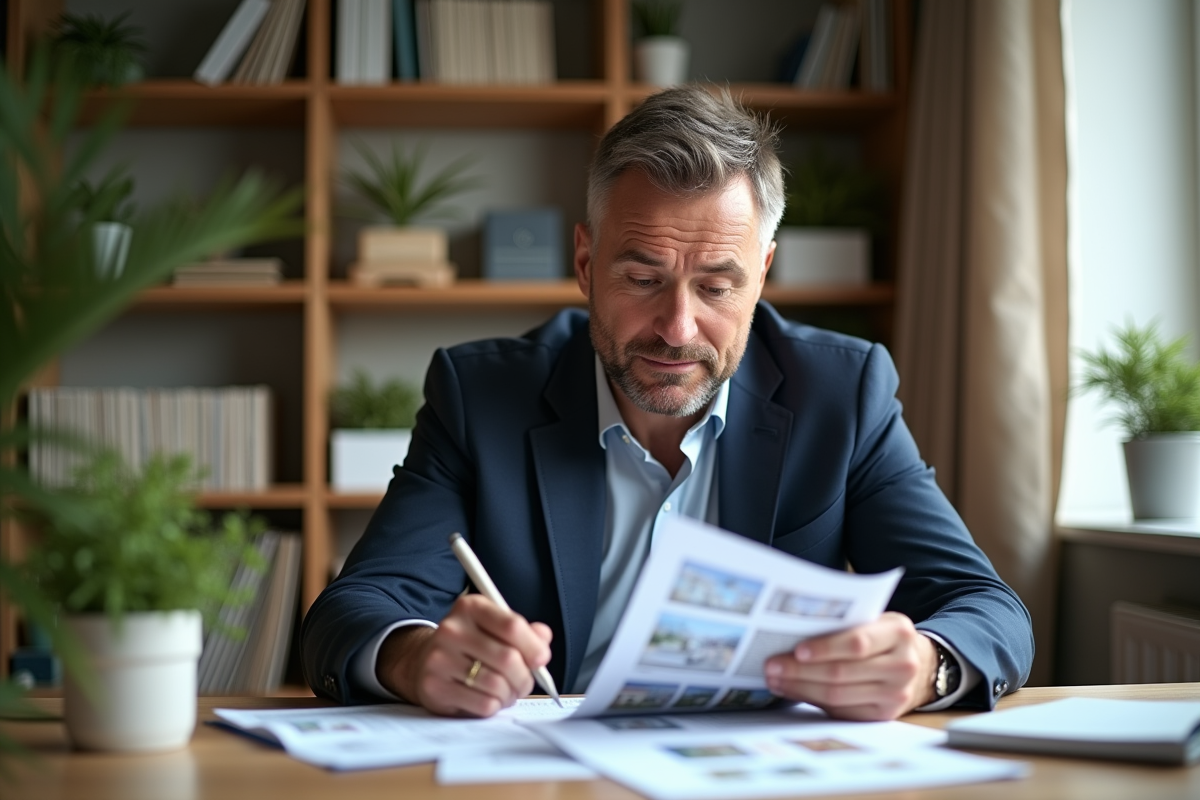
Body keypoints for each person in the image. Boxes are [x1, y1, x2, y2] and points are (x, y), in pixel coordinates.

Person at [301, 85, 1034, 721]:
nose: (678, 329)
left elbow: (987, 607)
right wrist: (412, 656)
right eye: (642, 277)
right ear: (586, 264)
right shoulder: (481, 396)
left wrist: (927, 665)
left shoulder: (842, 394)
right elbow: (352, 611)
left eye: (717, 286)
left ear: (763, 273)